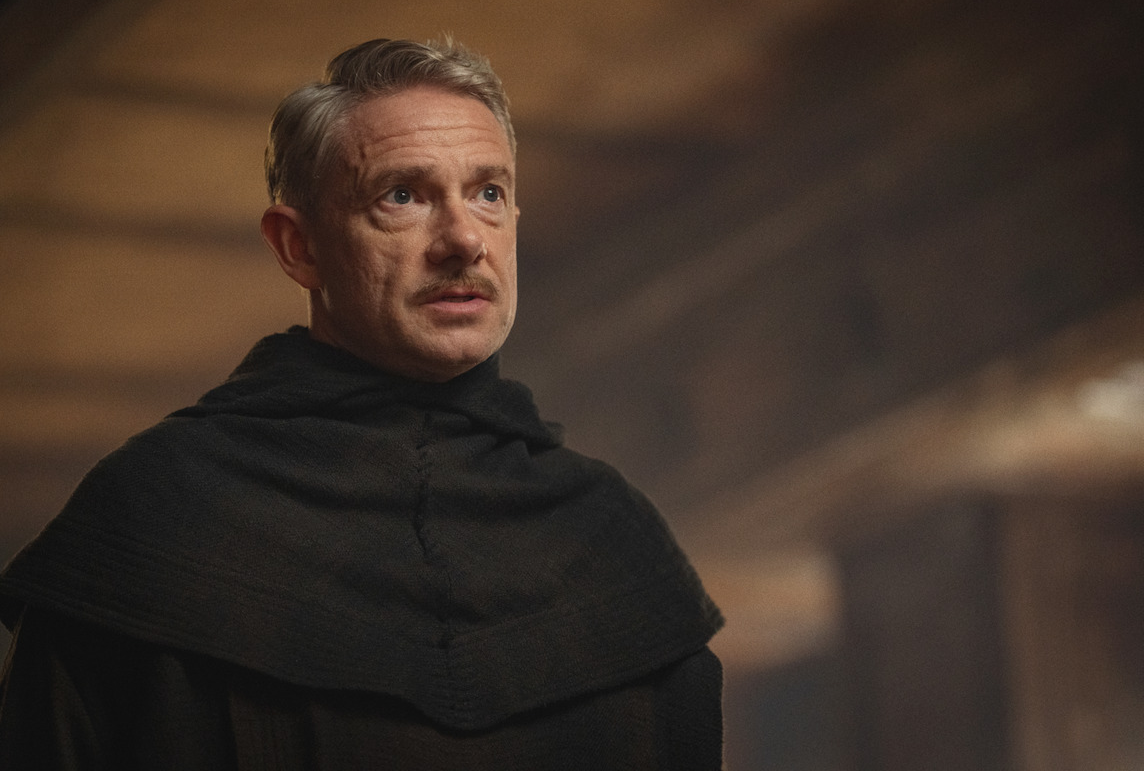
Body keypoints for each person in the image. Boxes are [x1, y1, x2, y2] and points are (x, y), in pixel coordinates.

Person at [0, 38, 724, 768]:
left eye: (489, 192)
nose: (465, 239)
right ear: (298, 248)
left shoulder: (614, 541)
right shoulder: (152, 518)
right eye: (402, 195)